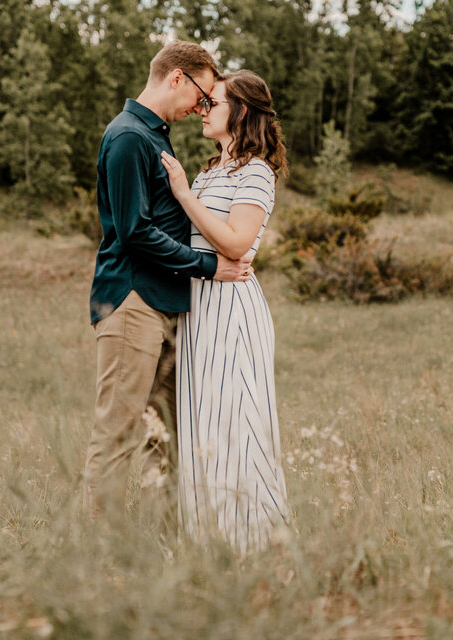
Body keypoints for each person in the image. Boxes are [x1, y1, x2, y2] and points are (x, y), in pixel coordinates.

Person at [85, 42, 252, 519]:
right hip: (132, 303)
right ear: (177, 78)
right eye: (201, 95)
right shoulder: (129, 137)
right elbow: (135, 233)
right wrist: (208, 267)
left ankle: (161, 548)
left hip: (165, 306)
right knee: (116, 436)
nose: (201, 108)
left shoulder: (155, 136)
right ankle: (99, 561)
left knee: (166, 440)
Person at [158, 69, 289, 552]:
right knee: (203, 426)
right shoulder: (213, 170)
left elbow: (235, 243)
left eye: (213, 100)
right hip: (200, 310)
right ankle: (209, 543)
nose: (203, 108)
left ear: (242, 110)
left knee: (237, 423)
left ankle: (258, 545)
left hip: (232, 310)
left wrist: (184, 196)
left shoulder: (256, 171)